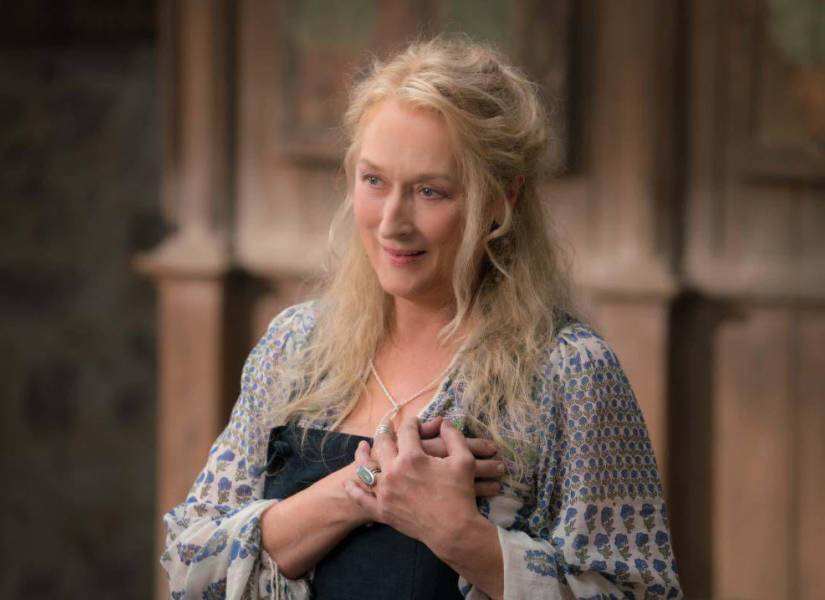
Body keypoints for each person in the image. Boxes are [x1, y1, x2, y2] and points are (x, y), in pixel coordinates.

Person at [160, 36, 683, 599]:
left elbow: (640, 593)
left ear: (501, 200)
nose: (392, 222)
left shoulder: (571, 372)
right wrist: (361, 488)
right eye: (374, 181)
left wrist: (457, 533)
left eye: (430, 191)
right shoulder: (295, 346)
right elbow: (193, 568)